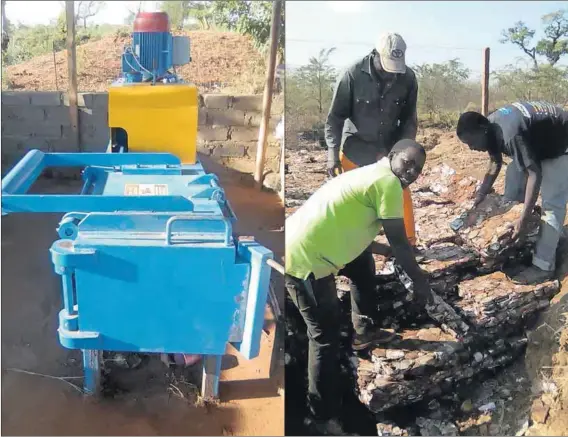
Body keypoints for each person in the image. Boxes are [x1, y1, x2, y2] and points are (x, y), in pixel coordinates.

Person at [285, 139, 434, 435]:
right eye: (407, 163)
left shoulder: (371, 174)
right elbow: (400, 241)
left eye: (418, 168)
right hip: (306, 263)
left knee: (363, 262)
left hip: (303, 243)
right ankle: (321, 416)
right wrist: (421, 283)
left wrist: (383, 251)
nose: (411, 172)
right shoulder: (389, 183)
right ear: (391, 157)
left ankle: (363, 330)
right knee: (324, 338)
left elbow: (356, 225)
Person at [456, 101, 568, 284]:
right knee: (512, 189)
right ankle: (517, 246)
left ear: (483, 130)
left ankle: (543, 266)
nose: (472, 148)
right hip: (536, 140)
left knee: (552, 206)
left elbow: (534, 174)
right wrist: (481, 194)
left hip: (560, 142)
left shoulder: (510, 134)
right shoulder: (490, 127)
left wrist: (523, 219)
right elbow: (494, 162)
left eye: (471, 142)